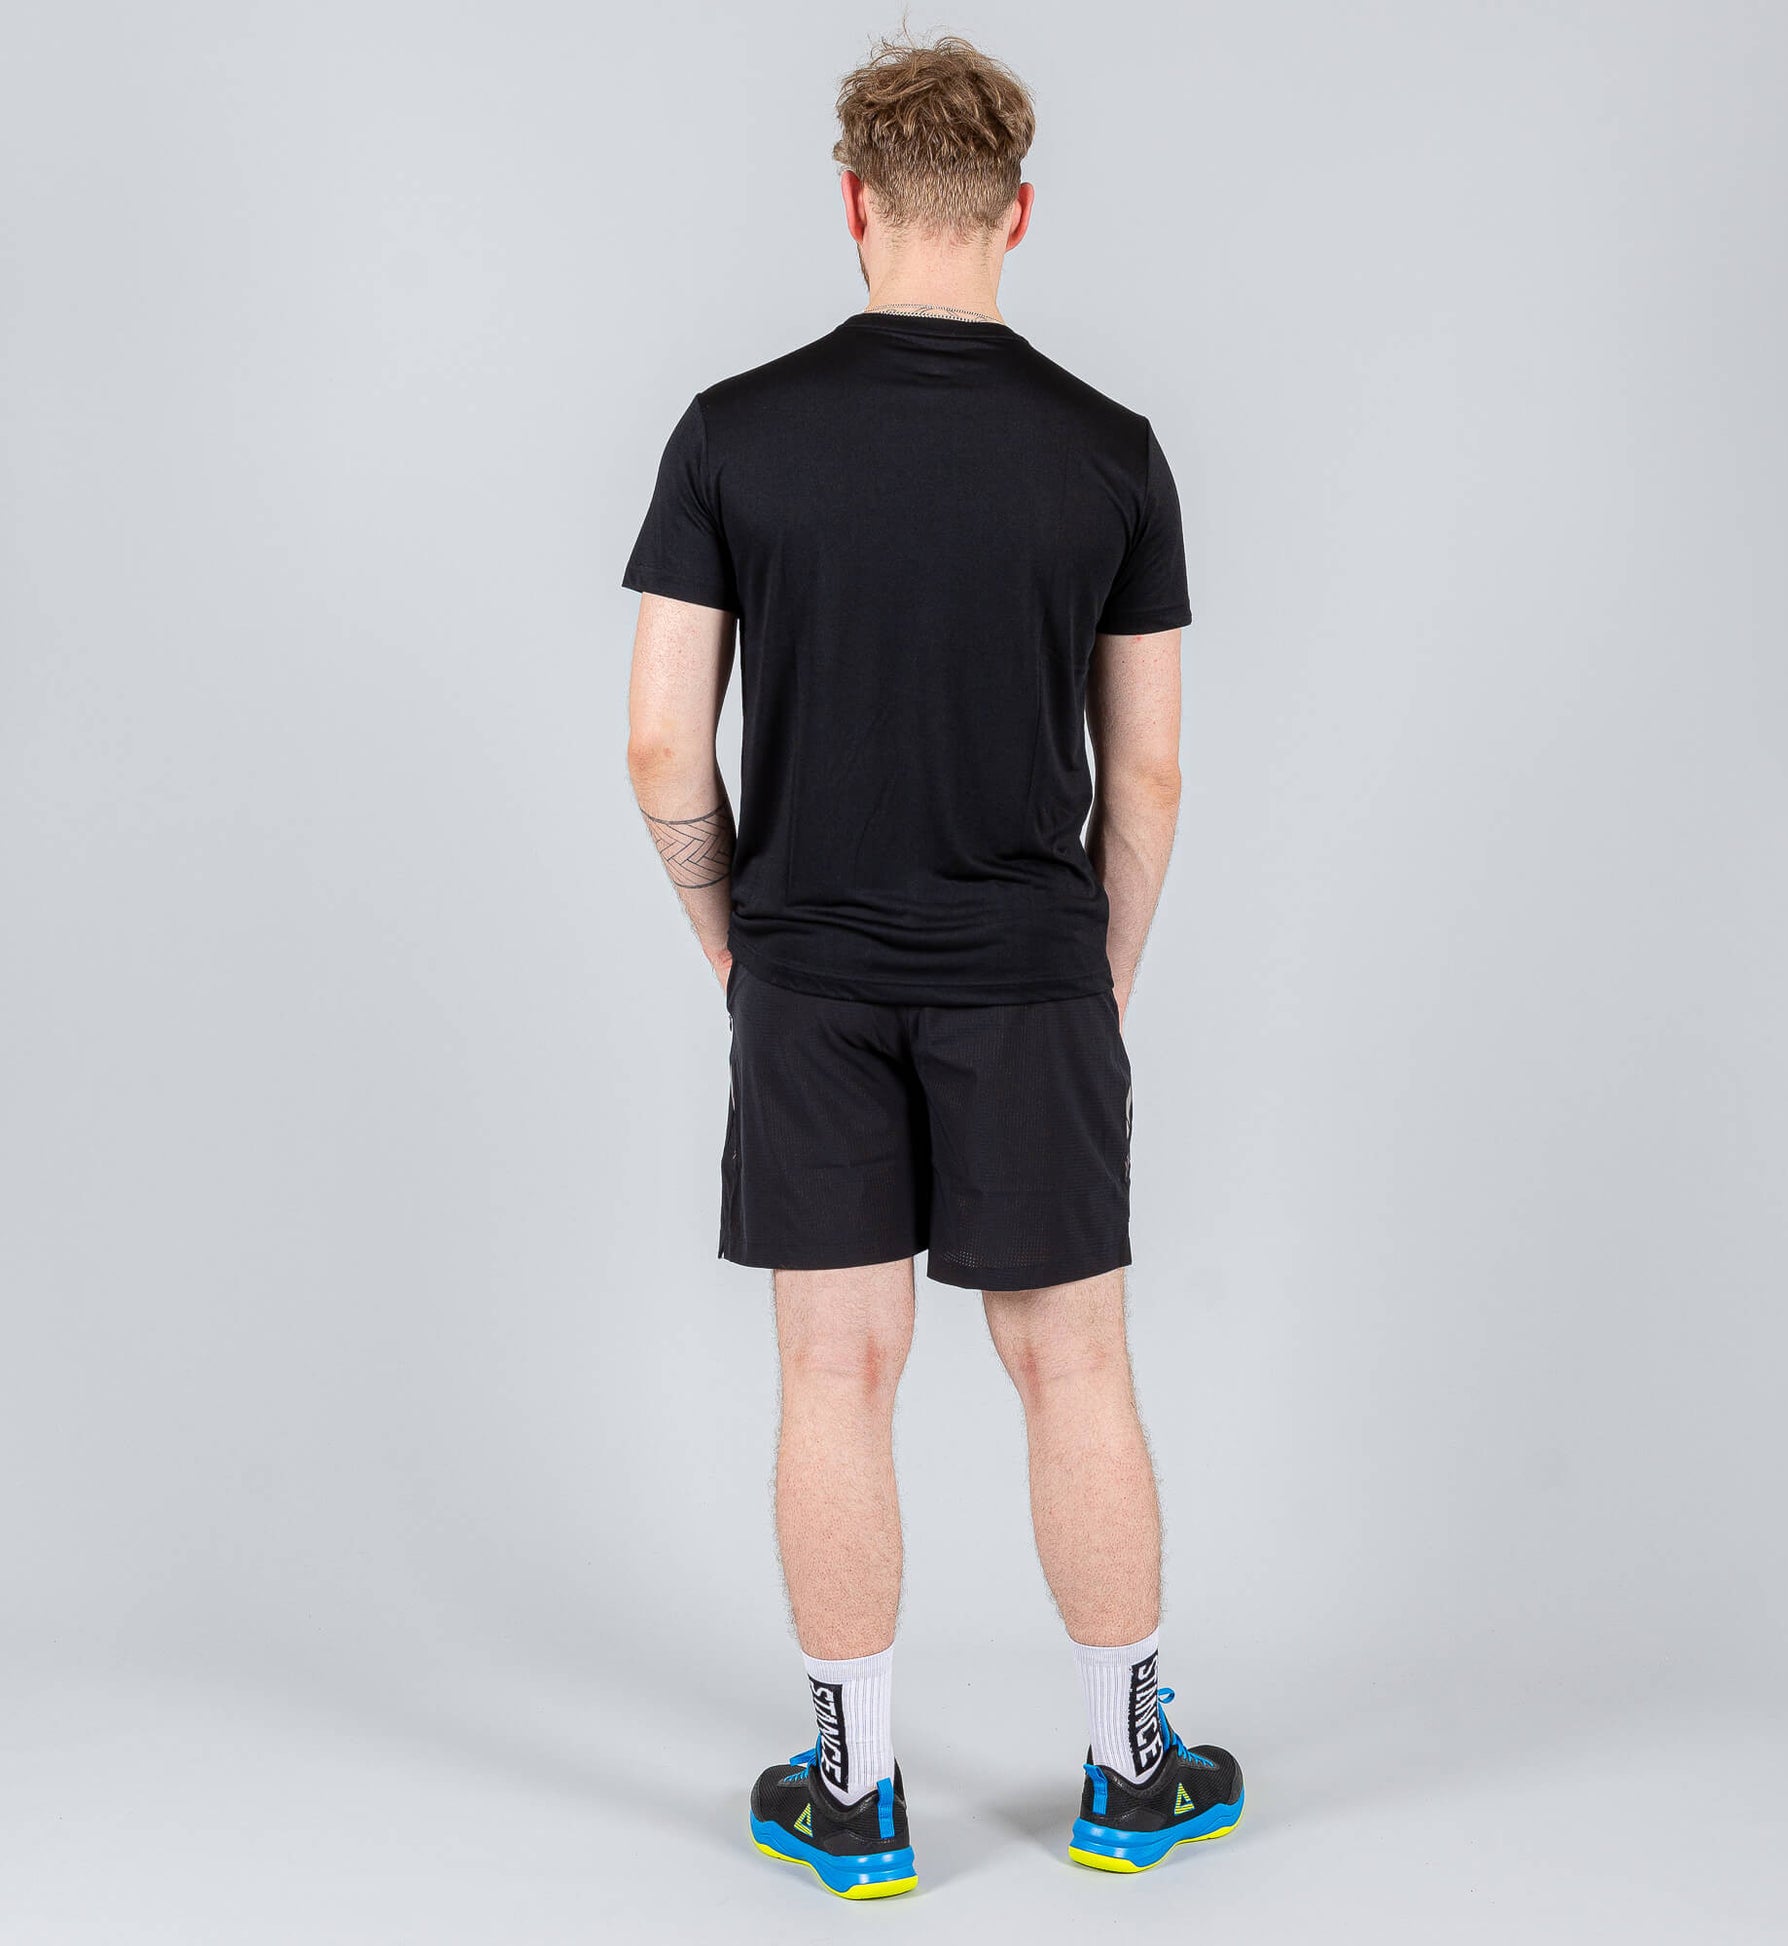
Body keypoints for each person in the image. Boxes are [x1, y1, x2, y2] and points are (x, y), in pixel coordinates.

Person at [621, 31, 1241, 1899]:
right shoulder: (1110, 451)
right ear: (1016, 216)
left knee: (835, 1368)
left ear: (855, 203)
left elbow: (659, 748)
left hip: (807, 972)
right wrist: (1095, 971)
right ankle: (1131, 1772)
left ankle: (856, 1795)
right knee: (1074, 1365)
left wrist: (738, 945)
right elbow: (1148, 772)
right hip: (1029, 971)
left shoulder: (730, 433)